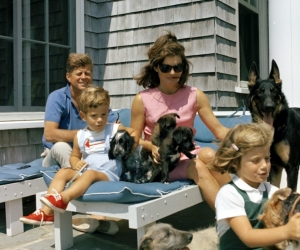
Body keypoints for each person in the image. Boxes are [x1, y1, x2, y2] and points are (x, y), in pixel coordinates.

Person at [130, 30, 231, 210]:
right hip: (162, 162)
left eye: (178, 67)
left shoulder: (195, 95)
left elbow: (220, 131)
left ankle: (242, 208)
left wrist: (249, 140)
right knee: (197, 166)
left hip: (188, 153)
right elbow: (134, 139)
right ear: (156, 67)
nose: (173, 72)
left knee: (209, 154)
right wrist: (152, 147)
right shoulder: (142, 99)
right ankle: (232, 221)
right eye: (166, 67)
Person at [21, 86, 138, 234]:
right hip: (87, 170)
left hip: (108, 173)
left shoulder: (113, 129)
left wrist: (128, 149)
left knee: (90, 174)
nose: (100, 119)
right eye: (94, 115)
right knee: (63, 172)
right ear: (83, 116)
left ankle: (63, 199)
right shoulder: (80, 136)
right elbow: (74, 156)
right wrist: (75, 163)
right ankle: (46, 212)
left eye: (104, 114)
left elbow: (133, 133)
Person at [212, 122, 300, 249]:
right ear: (235, 162)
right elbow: (248, 237)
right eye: (256, 160)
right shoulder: (228, 194)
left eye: (267, 158)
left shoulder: (272, 192)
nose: (264, 165)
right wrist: (287, 231)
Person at [41, 53, 118, 168]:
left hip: (87, 152)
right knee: (61, 146)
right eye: (79, 73)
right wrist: (87, 134)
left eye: (87, 73)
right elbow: (50, 134)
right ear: (68, 77)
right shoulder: (57, 97)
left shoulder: (95, 98)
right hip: (56, 154)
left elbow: (113, 126)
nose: (83, 77)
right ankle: (78, 179)